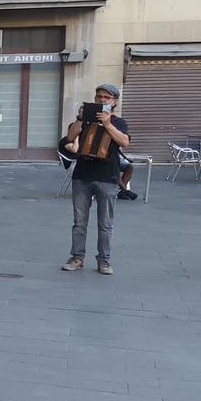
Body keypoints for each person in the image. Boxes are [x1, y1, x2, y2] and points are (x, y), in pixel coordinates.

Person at [61, 83, 131, 275]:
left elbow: (124, 142)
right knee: (79, 221)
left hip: (107, 177)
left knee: (105, 223)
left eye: (106, 98)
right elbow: (70, 137)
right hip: (82, 175)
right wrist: (80, 118)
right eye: (99, 96)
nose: (102, 100)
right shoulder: (85, 119)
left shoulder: (118, 122)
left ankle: (104, 260)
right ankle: (77, 257)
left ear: (114, 102)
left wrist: (107, 124)